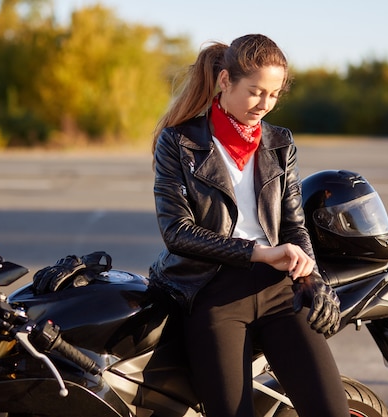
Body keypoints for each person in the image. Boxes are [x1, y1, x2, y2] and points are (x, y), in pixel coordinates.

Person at [149, 34, 349, 417]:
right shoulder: (178, 141)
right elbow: (176, 231)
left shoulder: (280, 143)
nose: (264, 105)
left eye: (274, 95)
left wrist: (311, 278)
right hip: (212, 292)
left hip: (279, 290)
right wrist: (259, 252)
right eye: (255, 92)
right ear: (225, 81)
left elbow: (293, 225)